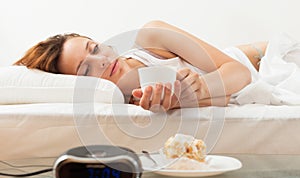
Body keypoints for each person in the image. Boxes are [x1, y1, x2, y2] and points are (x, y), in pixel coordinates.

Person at [14, 20, 267, 112]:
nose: (101, 60)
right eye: (86, 69)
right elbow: (227, 100)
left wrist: (199, 87)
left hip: (262, 58)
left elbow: (239, 72)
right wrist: (178, 100)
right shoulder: (136, 103)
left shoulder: (151, 37)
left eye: (94, 48)